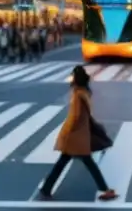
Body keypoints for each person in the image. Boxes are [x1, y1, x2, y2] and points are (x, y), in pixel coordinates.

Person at [38, 66, 118, 201]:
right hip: (81, 135)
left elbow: (74, 116)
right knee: (71, 163)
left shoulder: (77, 94)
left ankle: (105, 189)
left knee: (73, 163)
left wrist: (66, 131)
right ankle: (47, 188)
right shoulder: (85, 92)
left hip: (75, 135)